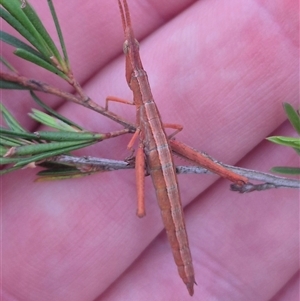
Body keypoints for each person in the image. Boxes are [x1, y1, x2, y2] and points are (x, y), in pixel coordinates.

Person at [2, 0, 299, 300]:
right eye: (129, 50)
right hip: (156, 140)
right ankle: (230, 185)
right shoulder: (138, 83)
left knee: (144, 200)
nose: (129, 52)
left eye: (130, 51)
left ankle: (230, 185)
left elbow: (122, 109)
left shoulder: (132, 86)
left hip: (155, 146)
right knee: (151, 169)